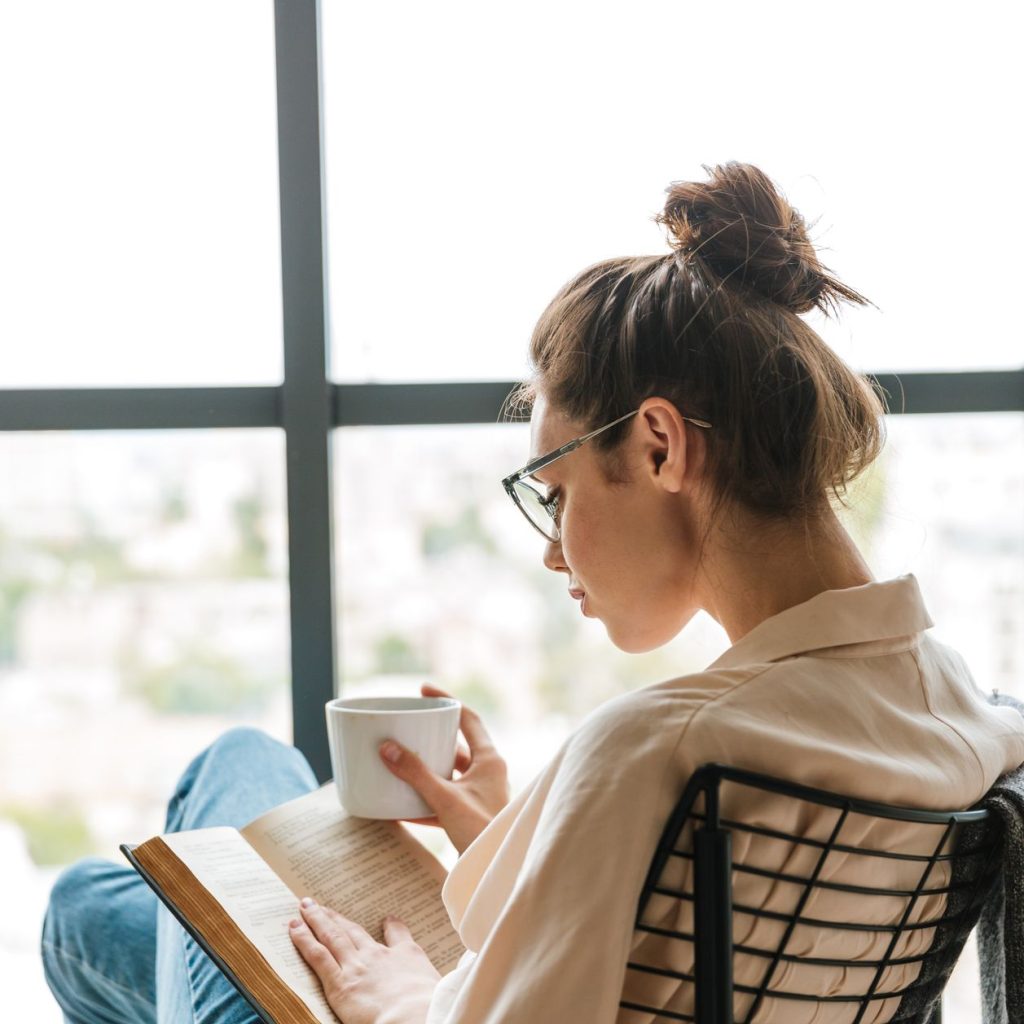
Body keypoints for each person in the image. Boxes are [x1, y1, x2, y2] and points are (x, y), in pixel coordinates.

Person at [42, 162, 1024, 1024]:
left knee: (189, 810)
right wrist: (527, 829)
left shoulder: (653, 747)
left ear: (657, 446)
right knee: (103, 903)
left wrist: (399, 1002)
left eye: (553, 492)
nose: (555, 552)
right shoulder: (965, 716)